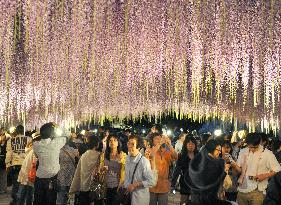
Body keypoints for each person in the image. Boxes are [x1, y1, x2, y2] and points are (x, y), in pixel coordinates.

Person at [231, 133, 281, 205]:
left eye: (255, 147)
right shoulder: (242, 151)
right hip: (242, 189)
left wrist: (264, 175)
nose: (253, 149)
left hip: (257, 191)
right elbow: (240, 171)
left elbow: (277, 169)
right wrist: (233, 165)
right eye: (250, 147)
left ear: (259, 142)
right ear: (247, 144)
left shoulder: (267, 153)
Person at [188, 139, 233, 205]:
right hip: (205, 197)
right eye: (218, 150)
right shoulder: (211, 162)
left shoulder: (202, 158)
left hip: (198, 195)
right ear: (212, 149)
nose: (220, 152)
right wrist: (225, 170)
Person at [33, 123, 67, 205]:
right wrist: (57, 126)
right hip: (52, 178)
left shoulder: (36, 145)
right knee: (50, 201)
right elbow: (67, 135)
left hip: (39, 178)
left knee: (38, 201)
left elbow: (36, 155)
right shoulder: (56, 143)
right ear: (52, 134)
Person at [146, 133, 178, 205]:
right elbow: (151, 155)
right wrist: (159, 143)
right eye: (156, 138)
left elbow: (175, 157)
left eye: (159, 138)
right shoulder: (149, 150)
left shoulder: (165, 151)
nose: (158, 140)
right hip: (152, 185)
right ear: (152, 141)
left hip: (163, 185)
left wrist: (169, 145)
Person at [124, 135, 156, 205]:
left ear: (138, 147)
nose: (129, 146)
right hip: (128, 197)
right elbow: (127, 177)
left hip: (139, 199)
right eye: (129, 143)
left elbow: (151, 182)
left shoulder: (143, 161)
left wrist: (136, 184)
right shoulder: (127, 158)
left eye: (133, 144)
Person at [69, 135, 100, 205]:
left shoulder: (83, 156)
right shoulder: (99, 155)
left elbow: (78, 172)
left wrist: (74, 187)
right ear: (97, 144)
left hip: (83, 186)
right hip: (94, 187)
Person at [5, 125, 31, 205]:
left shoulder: (11, 140)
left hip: (15, 165)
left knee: (16, 184)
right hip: (26, 165)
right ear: (23, 130)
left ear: (16, 131)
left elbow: (9, 154)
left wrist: (7, 164)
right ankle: (22, 200)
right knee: (24, 184)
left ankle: (16, 200)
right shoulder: (29, 139)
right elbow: (31, 153)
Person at [99, 134, 126, 205]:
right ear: (108, 143)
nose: (112, 142)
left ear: (118, 143)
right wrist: (102, 169)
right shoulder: (104, 155)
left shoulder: (123, 155)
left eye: (114, 140)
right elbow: (100, 169)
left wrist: (121, 160)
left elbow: (126, 170)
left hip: (118, 186)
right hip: (106, 186)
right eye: (110, 141)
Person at [171, 135, 198, 205]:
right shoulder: (181, 156)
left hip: (196, 184)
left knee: (195, 202)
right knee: (183, 202)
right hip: (184, 183)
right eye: (189, 143)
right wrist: (173, 184)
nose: (191, 145)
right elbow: (176, 171)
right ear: (185, 145)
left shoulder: (199, 156)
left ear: (195, 145)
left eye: (193, 144)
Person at [16, 132, 40, 205]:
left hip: (25, 173)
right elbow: (35, 162)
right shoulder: (35, 150)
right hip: (31, 174)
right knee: (29, 195)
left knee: (22, 194)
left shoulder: (30, 149)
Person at [56, 139, 79, 205]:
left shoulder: (57, 151)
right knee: (71, 198)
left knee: (60, 197)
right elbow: (79, 158)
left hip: (61, 177)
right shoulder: (73, 150)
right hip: (71, 176)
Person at [0, 130, 7, 194]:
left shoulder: (7, 143)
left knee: (3, 175)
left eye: (3, 135)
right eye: (1, 135)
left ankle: (4, 188)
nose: (2, 136)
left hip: (4, 161)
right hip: (0, 160)